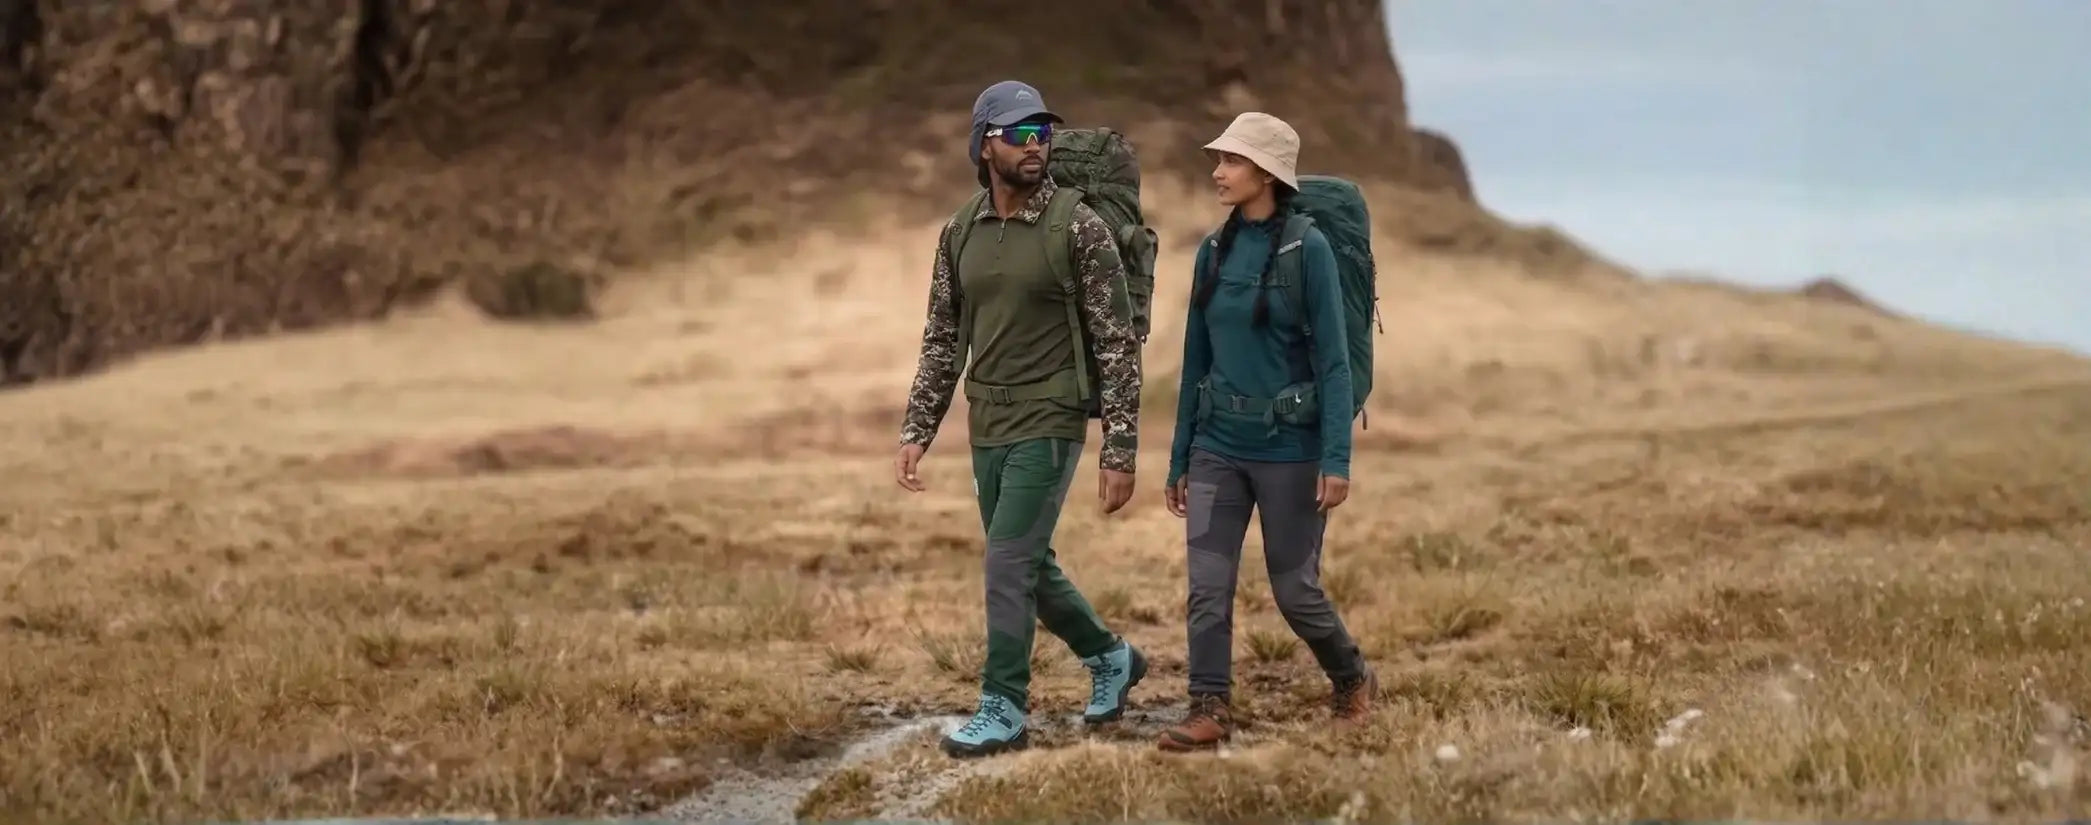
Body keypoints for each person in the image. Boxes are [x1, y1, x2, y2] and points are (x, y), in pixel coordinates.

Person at [894, 79, 1149, 759]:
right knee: (1027, 565)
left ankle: (1001, 705)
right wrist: (917, 428)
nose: (1036, 146)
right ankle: (1109, 655)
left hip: (1052, 415)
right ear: (983, 147)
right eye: (1019, 134)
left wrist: (1119, 447)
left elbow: (1116, 341)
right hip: (989, 420)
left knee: (1007, 563)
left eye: (1043, 134)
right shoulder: (959, 230)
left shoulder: (1079, 226)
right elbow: (942, 337)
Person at [1155, 112, 1376, 752]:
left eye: (1233, 161)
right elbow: (1195, 360)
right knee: (1207, 586)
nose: (1218, 172)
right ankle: (1208, 707)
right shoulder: (1212, 251)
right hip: (1218, 446)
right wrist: (1179, 460)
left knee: (1296, 591)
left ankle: (1352, 677)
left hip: (1291, 450)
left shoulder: (1309, 251)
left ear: (1267, 175)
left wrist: (1337, 458)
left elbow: (1335, 363)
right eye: (1219, 159)